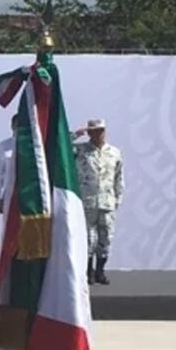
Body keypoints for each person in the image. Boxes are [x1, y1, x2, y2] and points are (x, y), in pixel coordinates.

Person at [73, 118, 125, 285]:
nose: (98, 134)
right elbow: (59, 146)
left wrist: (118, 198)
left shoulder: (114, 152)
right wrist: (75, 134)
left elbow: (119, 177)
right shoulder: (80, 150)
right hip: (87, 201)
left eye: (101, 130)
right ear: (89, 132)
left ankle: (100, 271)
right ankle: (88, 272)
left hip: (107, 202)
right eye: (94, 131)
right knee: (88, 239)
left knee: (106, 238)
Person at [0, 115, 18, 213]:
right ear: (12, 126)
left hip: (29, 195)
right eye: (17, 125)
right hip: (9, 195)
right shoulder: (4, 146)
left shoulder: (34, 146)